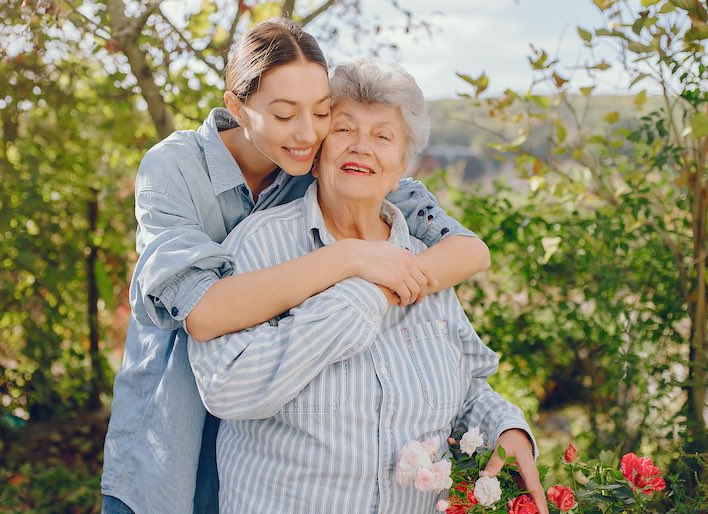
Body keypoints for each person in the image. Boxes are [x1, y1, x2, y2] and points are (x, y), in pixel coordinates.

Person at [100, 19, 493, 514]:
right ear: (237, 107)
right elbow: (203, 312)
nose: (308, 133)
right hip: (171, 429)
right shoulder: (175, 168)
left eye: (323, 112)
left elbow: (468, 250)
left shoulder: (321, 163)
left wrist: (388, 284)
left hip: (260, 443)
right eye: (285, 115)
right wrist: (350, 259)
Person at [187, 58, 547, 513]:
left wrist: (504, 428)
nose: (362, 148)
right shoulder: (259, 246)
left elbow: (466, 388)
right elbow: (227, 388)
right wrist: (363, 292)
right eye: (344, 130)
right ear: (316, 154)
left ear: (401, 170)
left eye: (383, 136)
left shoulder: (424, 260)